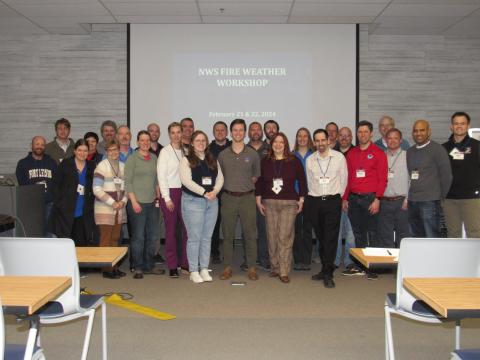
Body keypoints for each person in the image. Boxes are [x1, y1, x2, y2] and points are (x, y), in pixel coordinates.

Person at [256, 132, 306, 283]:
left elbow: (302, 181)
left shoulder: (294, 161)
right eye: (275, 142)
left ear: (286, 145)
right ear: (271, 145)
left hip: (289, 203)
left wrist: (301, 200)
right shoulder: (265, 161)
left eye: (281, 142)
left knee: (284, 237)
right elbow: (259, 182)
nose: (278, 145)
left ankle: (284, 270)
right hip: (269, 202)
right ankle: (275, 267)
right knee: (271, 236)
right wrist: (258, 200)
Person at [342, 120, 388, 280]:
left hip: (371, 198)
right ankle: (361, 266)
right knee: (358, 234)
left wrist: (378, 199)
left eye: (365, 132)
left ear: (371, 134)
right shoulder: (352, 153)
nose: (362, 134)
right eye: (360, 132)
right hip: (354, 199)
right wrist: (345, 198)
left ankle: (372, 267)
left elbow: (383, 179)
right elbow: (347, 179)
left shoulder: (378, 153)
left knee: (372, 233)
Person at [218, 119, 260, 281]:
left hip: (247, 198)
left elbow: (255, 176)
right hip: (228, 198)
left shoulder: (252, 154)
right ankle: (227, 267)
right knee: (227, 235)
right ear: (231, 132)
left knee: (250, 234)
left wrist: (244, 186)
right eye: (235, 130)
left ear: (245, 132)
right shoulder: (222, 155)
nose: (237, 133)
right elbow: (219, 177)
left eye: (241, 130)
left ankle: (251, 267)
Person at [180, 131, 224, 283]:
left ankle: (204, 268)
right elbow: (186, 181)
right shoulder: (186, 160)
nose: (201, 143)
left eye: (203, 140)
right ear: (192, 143)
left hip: (211, 202)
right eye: (197, 140)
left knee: (207, 237)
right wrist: (205, 192)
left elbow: (220, 178)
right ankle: (193, 270)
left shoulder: (212, 159)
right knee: (194, 238)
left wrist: (215, 192)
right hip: (193, 202)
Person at [306, 129, 347, 288]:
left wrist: (336, 197)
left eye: (323, 140)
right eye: (317, 141)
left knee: (330, 238)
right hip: (315, 202)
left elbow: (344, 180)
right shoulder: (310, 159)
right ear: (314, 142)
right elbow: (310, 182)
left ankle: (329, 273)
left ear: (328, 140)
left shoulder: (339, 158)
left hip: (332, 202)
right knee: (321, 238)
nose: (320, 143)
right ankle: (324, 269)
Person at [125, 131, 165, 279]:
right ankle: (138, 267)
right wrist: (134, 202)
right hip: (137, 203)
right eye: (142, 140)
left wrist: (157, 197)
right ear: (137, 142)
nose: (145, 143)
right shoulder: (132, 159)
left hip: (151, 203)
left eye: (147, 140)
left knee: (153, 236)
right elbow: (127, 182)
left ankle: (149, 265)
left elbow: (156, 180)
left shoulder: (154, 158)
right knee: (138, 237)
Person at [407, 120, 452, 238]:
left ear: (429, 132)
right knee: (415, 238)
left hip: (430, 202)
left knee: (431, 237)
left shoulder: (438, 149)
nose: (418, 133)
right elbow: (411, 174)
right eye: (415, 131)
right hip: (412, 202)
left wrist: (440, 197)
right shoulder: (410, 152)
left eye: (422, 130)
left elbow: (447, 176)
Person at [48, 139, 95, 246]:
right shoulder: (65, 164)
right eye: (79, 150)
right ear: (74, 151)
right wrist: (60, 204)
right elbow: (55, 186)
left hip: (83, 212)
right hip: (65, 212)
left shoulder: (92, 166)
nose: (82, 153)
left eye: (85, 151)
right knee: (65, 244)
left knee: (81, 244)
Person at [92, 140, 128, 279]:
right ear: (106, 152)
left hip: (119, 209)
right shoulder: (101, 166)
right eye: (110, 150)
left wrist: (123, 201)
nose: (113, 152)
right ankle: (107, 269)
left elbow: (128, 188)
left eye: (116, 149)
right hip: (105, 208)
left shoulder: (123, 166)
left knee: (115, 239)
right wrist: (113, 202)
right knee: (106, 239)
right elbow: (96, 189)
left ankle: (114, 267)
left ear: (119, 150)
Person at [157, 122, 189, 278]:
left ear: (182, 133)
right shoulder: (165, 152)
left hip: (186, 193)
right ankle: (172, 265)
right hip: (170, 193)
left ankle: (185, 263)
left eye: (179, 132)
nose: (176, 135)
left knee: (187, 230)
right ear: (169, 134)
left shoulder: (186, 151)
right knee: (170, 232)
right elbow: (161, 176)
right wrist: (166, 197)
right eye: (173, 132)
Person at [443, 112, 480, 238]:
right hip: (449, 199)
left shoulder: (477, 146)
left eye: (462, 123)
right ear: (451, 127)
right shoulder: (444, 148)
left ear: (468, 126)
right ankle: (454, 258)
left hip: (472, 198)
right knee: (453, 234)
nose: (459, 126)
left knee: (474, 232)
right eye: (456, 123)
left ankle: (475, 258)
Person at [15, 136, 57, 236]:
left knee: (49, 232)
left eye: (42, 144)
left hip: (48, 204)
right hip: (31, 205)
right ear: (31, 146)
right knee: (32, 232)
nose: (40, 146)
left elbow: (56, 182)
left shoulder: (51, 162)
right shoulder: (23, 163)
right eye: (37, 144)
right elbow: (21, 184)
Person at [377, 128, 410, 248]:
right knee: (385, 236)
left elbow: (413, 179)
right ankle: (389, 265)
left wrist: (408, 199)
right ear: (385, 140)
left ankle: (403, 264)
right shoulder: (380, 156)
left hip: (402, 202)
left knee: (403, 235)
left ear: (401, 140)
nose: (392, 141)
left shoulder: (407, 156)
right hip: (384, 202)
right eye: (389, 138)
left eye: (395, 138)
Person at [248, 121, 272, 271]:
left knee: (264, 228)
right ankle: (249, 259)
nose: (255, 132)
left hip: (265, 194)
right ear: (248, 132)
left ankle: (264, 258)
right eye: (252, 129)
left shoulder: (270, 149)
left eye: (258, 129)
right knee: (248, 228)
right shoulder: (243, 149)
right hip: (246, 194)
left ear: (262, 132)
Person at [209, 121, 232, 264]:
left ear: (227, 132)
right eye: (217, 130)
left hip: (230, 191)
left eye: (222, 130)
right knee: (214, 224)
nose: (220, 132)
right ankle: (215, 252)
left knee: (229, 225)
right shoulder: (207, 149)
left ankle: (230, 254)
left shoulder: (233, 148)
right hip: (214, 192)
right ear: (213, 132)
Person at [292, 128, 314, 271]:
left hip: (311, 196)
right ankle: (297, 259)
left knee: (307, 229)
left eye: (305, 136)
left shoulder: (315, 155)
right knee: (295, 229)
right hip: (294, 197)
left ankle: (306, 260)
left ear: (309, 138)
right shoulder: (291, 156)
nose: (302, 138)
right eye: (299, 136)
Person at [334, 127, 355, 270]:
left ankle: (349, 261)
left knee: (350, 233)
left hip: (353, 198)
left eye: (347, 136)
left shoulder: (357, 152)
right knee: (335, 231)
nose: (344, 138)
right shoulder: (331, 153)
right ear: (337, 137)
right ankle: (334, 261)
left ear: (351, 137)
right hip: (335, 199)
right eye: (341, 135)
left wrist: (346, 198)